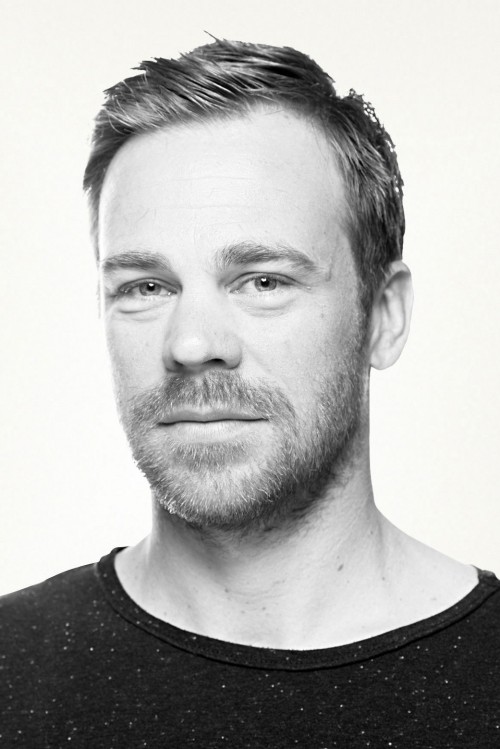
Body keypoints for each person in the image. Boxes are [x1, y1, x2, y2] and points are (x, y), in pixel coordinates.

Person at [1, 38, 499, 748]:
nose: (192, 343)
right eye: (146, 287)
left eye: (263, 280)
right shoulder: (12, 672)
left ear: (383, 316)